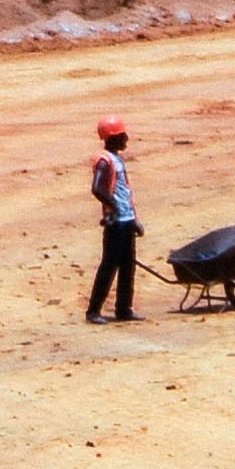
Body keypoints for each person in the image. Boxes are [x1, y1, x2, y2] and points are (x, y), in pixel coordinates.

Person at [86, 119, 140, 325]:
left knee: (128, 266)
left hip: (126, 220)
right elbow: (97, 188)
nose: (126, 138)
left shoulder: (116, 159)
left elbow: (124, 191)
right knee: (109, 266)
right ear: (113, 137)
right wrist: (114, 207)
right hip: (116, 223)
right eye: (123, 135)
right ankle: (93, 311)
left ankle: (124, 308)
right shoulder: (104, 160)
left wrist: (133, 219)